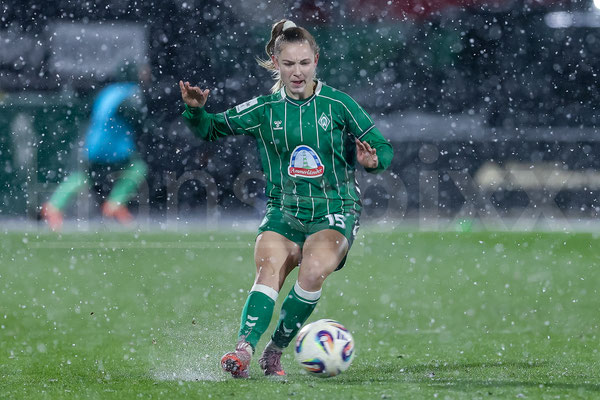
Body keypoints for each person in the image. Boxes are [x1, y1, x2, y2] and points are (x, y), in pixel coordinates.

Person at [179, 19, 394, 378]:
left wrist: (373, 162)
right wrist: (196, 111)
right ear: (276, 64)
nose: (298, 72)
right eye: (290, 64)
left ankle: (274, 350)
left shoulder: (338, 104)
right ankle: (243, 351)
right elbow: (211, 129)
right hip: (284, 210)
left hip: (335, 209)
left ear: (316, 61)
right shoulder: (264, 109)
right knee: (268, 272)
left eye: (305, 63)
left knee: (313, 270)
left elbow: (382, 147)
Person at [41, 62, 150, 231]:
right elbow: (135, 113)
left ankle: (54, 205)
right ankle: (115, 203)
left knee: (85, 177)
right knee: (137, 169)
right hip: (114, 147)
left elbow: (90, 111)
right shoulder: (130, 91)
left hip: (94, 144)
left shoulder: (107, 92)